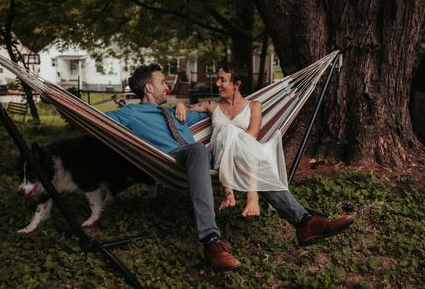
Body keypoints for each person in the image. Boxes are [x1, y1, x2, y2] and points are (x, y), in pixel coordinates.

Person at [105, 64, 355, 272]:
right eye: (161, 82)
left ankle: (304, 221)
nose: (166, 85)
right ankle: (211, 241)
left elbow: (216, 115)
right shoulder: (131, 113)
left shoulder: (172, 112)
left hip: (207, 158)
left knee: (246, 157)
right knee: (198, 150)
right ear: (149, 87)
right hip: (173, 159)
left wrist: (184, 107)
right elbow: (98, 119)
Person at [175, 62, 287, 217]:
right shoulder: (212, 105)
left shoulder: (254, 106)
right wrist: (180, 104)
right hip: (222, 156)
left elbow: (252, 135)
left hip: (246, 156)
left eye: (222, 80)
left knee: (229, 131)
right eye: (217, 79)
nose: (217, 83)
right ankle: (246, 195)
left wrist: (232, 136)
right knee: (226, 131)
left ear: (237, 84)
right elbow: (189, 108)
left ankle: (237, 194)